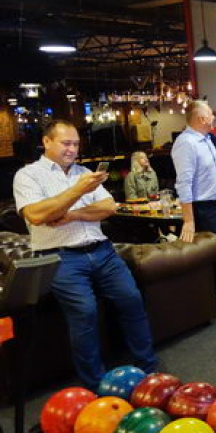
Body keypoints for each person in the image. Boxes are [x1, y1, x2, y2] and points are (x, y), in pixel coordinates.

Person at [13, 120, 158, 391]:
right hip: (60, 256)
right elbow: (37, 214)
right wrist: (78, 191)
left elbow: (109, 207)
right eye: (66, 143)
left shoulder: (84, 172)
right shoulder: (28, 175)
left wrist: (72, 214)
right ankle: (96, 386)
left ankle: (149, 372)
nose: (72, 149)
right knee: (85, 312)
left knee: (132, 299)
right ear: (46, 142)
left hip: (102, 251)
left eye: (76, 144)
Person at [171, 100, 216, 311]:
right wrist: (188, 220)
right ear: (201, 118)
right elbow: (184, 183)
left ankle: (214, 295)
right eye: (210, 114)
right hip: (204, 209)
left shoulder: (208, 139)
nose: (214, 117)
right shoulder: (186, 143)